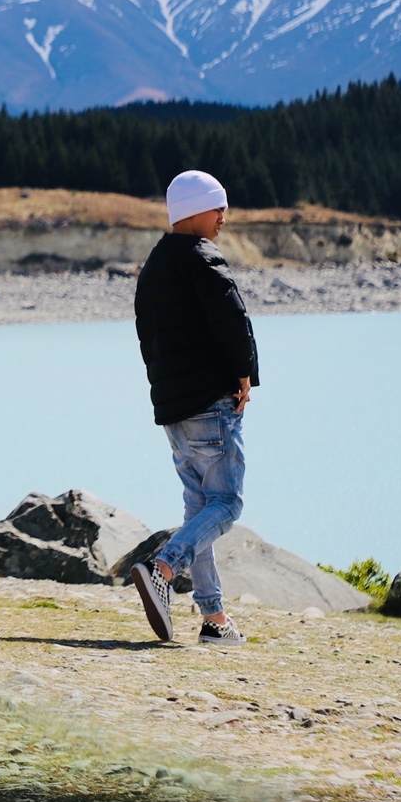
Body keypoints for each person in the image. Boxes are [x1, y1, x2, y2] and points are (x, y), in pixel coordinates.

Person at [126, 169, 259, 648]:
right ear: (196, 210)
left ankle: (215, 620)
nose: (224, 217)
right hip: (210, 403)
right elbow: (232, 318)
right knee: (227, 503)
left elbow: (148, 340)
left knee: (199, 508)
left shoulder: (154, 265)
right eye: (218, 207)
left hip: (173, 408)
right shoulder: (203, 257)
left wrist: (164, 394)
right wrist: (245, 376)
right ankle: (163, 567)